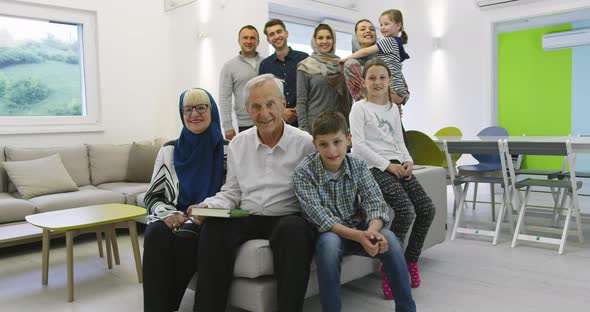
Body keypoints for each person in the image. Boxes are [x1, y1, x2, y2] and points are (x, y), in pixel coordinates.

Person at [194, 74, 317, 312]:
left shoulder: (306, 143)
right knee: (213, 228)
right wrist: (210, 206)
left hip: (288, 215)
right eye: (256, 106)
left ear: (283, 105)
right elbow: (231, 191)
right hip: (248, 216)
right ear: (247, 110)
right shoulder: (239, 144)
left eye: (270, 104)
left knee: (294, 230)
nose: (264, 113)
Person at [294, 111, 416, 312]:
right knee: (329, 247)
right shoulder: (304, 172)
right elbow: (321, 218)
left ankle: (407, 309)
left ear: (348, 140)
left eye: (337, 142)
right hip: (330, 233)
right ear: (315, 144)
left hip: (360, 228)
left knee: (391, 240)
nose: (332, 150)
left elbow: (375, 203)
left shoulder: (358, 165)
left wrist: (372, 231)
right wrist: (361, 236)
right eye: (324, 144)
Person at [350, 58, 435, 297]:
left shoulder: (392, 109)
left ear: (389, 81)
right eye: (372, 78)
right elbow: (359, 146)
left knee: (427, 209)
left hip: (397, 165)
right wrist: (388, 166)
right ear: (364, 82)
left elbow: (399, 141)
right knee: (405, 210)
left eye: (382, 78)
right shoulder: (359, 108)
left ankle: (410, 261)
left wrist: (408, 160)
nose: (377, 82)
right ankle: (391, 268)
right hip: (373, 168)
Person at [142, 88, 224, 312]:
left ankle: (168, 306)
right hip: (172, 214)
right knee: (154, 233)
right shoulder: (169, 150)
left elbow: (233, 193)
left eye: (200, 107)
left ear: (212, 111)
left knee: (187, 238)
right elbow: (152, 195)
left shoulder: (226, 150)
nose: (193, 114)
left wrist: (204, 211)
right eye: (187, 109)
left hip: (207, 217)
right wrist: (169, 214)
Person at [341, 11, 410, 105]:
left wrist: (399, 99)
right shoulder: (352, 64)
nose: (368, 31)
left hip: (393, 114)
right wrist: (390, 99)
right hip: (371, 115)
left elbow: (404, 90)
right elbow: (361, 96)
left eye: (372, 29)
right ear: (355, 36)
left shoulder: (384, 58)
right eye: (362, 29)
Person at [296, 23, 351, 133]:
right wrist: (304, 129)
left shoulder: (342, 65)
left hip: (339, 125)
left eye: (328, 37)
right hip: (315, 126)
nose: (324, 41)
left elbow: (348, 99)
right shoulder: (305, 66)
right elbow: (301, 102)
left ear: (333, 40)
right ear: (315, 41)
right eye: (320, 38)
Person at [259, 18, 309, 127]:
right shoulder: (264, 65)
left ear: (286, 33)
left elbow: (312, 89)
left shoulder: (304, 58)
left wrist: (297, 110)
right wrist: (282, 112)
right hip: (277, 122)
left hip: (305, 120)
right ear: (268, 39)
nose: (276, 36)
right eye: (272, 34)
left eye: (279, 31)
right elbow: (264, 96)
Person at [219, 25, 263, 140]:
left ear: (258, 41)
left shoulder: (266, 62)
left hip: (268, 119)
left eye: (253, 38)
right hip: (245, 124)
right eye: (245, 38)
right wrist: (227, 126)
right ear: (239, 41)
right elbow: (224, 98)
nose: (249, 41)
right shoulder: (229, 66)